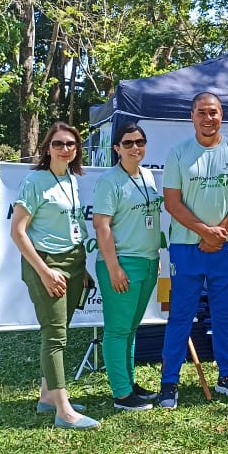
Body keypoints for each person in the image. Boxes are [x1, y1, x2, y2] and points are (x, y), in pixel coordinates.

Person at [157, 92, 228, 408]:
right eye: (202, 112)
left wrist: (219, 234)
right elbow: (171, 202)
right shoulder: (178, 153)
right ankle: (169, 383)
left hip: (226, 249)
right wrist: (204, 232)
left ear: (221, 115)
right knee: (181, 317)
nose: (208, 118)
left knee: (225, 315)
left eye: (213, 112)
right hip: (187, 248)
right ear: (192, 117)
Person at [10, 121, 99, 430]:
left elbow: (71, 227)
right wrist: (45, 272)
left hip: (74, 263)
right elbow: (18, 232)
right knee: (55, 336)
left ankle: (48, 396)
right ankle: (64, 410)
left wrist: (81, 268)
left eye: (71, 144)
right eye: (58, 144)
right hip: (46, 264)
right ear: (47, 148)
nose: (65, 149)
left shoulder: (72, 180)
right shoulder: (35, 181)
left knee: (61, 331)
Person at [92, 122, 162, 411]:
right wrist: (113, 267)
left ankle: (130, 383)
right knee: (118, 330)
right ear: (117, 148)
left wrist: (154, 254)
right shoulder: (111, 180)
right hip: (122, 263)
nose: (136, 147)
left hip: (147, 261)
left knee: (132, 329)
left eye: (140, 142)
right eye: (129, 143)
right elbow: (101, 225)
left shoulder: (147, 176)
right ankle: (121, 394)